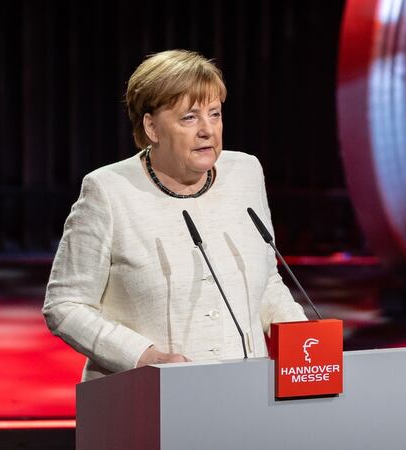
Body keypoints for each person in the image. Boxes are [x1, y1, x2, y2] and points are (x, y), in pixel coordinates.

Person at [42, 49, 307, 381]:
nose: (208, 130)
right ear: (152, 127)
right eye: (190, 117)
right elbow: (65, 306)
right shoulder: (108, 191)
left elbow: (266, 282)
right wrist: (144, 357)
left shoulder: (245, 173)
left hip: (246, 395)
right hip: (145, 398)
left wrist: (307, 348)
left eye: (215, 114)